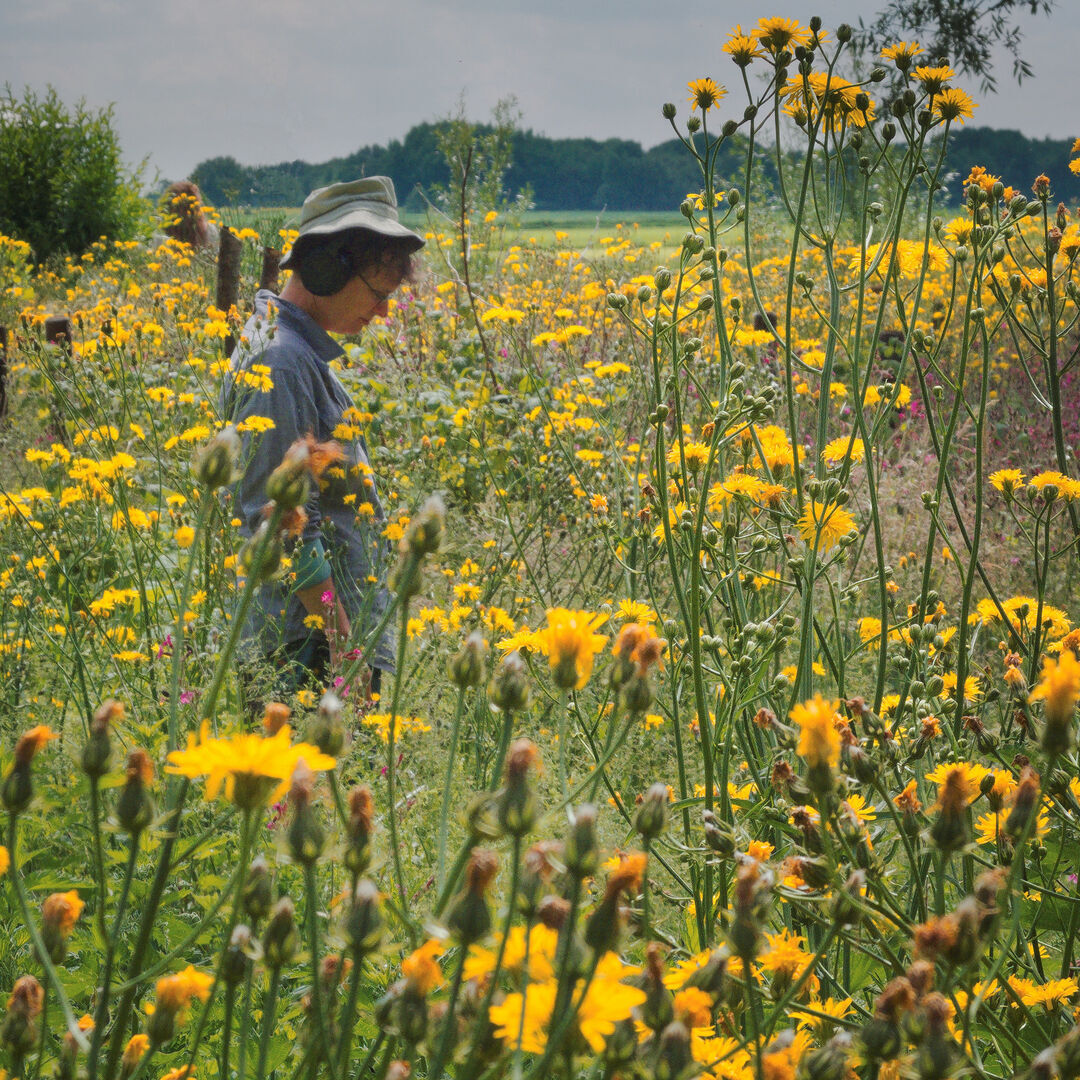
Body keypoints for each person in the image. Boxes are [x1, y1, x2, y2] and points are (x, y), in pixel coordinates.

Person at [221, 176, 424, 713]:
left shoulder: (290, 352)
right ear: (327, 267)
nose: (383, 313)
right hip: (307, 650)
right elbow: (283, 525)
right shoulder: (281, 361)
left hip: (317, 644)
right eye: (379, 293)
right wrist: (344, 649)